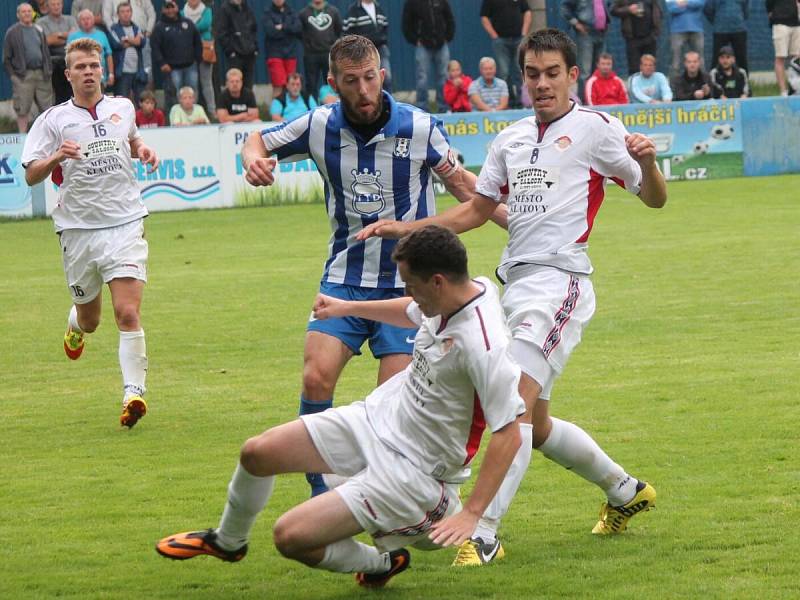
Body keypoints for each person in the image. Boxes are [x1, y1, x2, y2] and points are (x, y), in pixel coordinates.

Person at [357, 28, 665, 565]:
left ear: (574, 76)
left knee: (513, 407)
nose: (541, 84)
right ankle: (625, 491)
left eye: (552, 73)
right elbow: (475, 211)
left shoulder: (597, 129)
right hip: (514, 287)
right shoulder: (511, 138)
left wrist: (651, 162)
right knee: (535, 424)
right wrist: (406, 228)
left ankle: (483, 532)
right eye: (532, 74)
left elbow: (654, 199)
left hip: (561, 283)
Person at [155, 225, 526, 588]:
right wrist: (348, 307)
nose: (411, 294)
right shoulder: (459, 291)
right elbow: (413, 311)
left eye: (412, 285)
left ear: (438, 281)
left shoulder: (483, 345)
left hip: (415, 473)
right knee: (258, 452)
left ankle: (383, 562)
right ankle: (228, 542)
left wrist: (474, 514)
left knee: (290, 537)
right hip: (375, 420)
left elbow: (509, 432)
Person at [239, 35, 482, 498]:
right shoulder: (318, 125)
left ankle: (375, 495)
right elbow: (256, 140)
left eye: (370, 78)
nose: (365, 90)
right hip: (344, 279)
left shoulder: (421, 127)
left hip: (410, 289)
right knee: (315, 376)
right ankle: (319, 491)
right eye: (352, 81)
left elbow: (461, 185)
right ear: (333, 83)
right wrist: (254, 161)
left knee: (387, 405)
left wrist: (509, 210)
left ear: (382, 74)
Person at [21, 37, 159, 429]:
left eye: (94, 66)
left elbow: (129, 139)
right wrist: (55, 157)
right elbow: (31, 175)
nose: (88, 73)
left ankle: (134, 393)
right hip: (78, 230)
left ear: (103, 70)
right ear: (68, 75)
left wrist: (143, 148)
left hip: (125, 222)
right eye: (80, 67)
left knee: (127, 312)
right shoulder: (52, 120)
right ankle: (74, 325)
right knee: (92, 319)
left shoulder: (123, 107)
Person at [3, 3, 54, 133]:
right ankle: (22, 137)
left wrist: (48, 70)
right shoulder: (12, 32)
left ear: (32, 13)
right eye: (23, 12)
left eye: (29, 11)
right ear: (18, 15)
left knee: (47, 108)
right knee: (22, 109)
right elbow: (6, 59)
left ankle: (48, 134)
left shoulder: (39, 29)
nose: (26, 14)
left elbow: (45, 52)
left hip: (42, 74)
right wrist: (14, 77)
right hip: (23, 76)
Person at [402, 0, 455, 113]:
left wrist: (448, 37)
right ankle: (422, 108)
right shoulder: (412, 3)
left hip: (441, 45)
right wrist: (415, 39)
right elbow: (406, 23)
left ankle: (443, 107)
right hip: (423, 46)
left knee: (443, 77)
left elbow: (449, 18)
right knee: (422, 78)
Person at [150, 0, 202, 113]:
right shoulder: (159, 27)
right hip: (172, 68)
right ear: (163, 10)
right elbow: (155, 47)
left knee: (193, 93)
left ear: (177, 8)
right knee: (174, 95)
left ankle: (193, 117)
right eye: (167, 8)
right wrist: (162, 63)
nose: (170, 10)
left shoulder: (188, 23)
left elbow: (197, 41)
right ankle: (174, 118)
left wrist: (198, 59)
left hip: (190, 66)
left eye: (172, 7)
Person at [480, 0, 531, 108]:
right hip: (501, 41)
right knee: (504, 72)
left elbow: (527, 11)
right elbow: (484, 17)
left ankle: (521, 101)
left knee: (520, 70)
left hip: (518, 39)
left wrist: (524, 33)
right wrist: (494, 35)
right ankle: (508, 102)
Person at [562, 0, 612, 102]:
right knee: (585, 72)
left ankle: (597, 99)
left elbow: (609, 5)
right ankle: (584, 102)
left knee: (599, 71)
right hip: (586, 33)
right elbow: (564, 8)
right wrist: (576, 23)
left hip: (602, 33)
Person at [299, 0, 343, 102]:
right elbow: (299, 32)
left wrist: (332, 44)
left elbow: (339, 30)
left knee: (331, 82)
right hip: (310, 55)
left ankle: (330, 106)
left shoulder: (333, 11)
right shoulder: (303, 13)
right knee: (311, 84)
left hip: (329, 54)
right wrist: (308, 44)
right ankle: (312, 107)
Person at [343, 1, 392, 91]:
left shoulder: (378, 8)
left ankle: (387, 103)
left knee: (386, 78)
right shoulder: (354, 10)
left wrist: (383, 40)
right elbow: (347, 32)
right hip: (362, 51)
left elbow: (385, 26)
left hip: (380, 49)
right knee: (366, 79)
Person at [37, 0, 78, 105]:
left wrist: (58, 35)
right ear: (47, 6)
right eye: (53, 4)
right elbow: (47, 41)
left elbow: (76, 38)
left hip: (71, 61)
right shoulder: (41, 22)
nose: (56, 7)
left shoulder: (71, 19)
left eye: (58, 4)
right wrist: (67, 35)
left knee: (74, 92)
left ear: (62, 5)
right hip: (53, 63)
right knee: (57, 96)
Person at [108, 2, 147, 106]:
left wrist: (127, 40)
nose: (126, 14)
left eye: (128, 11)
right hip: (122, 72)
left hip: (138, 72)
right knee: (122, 103)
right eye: (122, 12)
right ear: (118, 14)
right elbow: (117, 45)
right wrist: (134, 41)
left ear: (131, 13)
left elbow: (142, 42)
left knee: (141, 102)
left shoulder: (136, 28)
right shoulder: (114, 29)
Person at [610, 0, 663, 76]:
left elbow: (657, 10)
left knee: (649, 68)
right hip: (633, 38)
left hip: (650, 37)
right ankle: (635, 87)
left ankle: (650, 87)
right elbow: (613, 10)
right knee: (634, 69)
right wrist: (628, 9)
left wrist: (655, 32)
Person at [182, 0, 216, 115]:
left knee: (206, 82)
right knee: (192, 83)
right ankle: (192, 111)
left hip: (205, 50)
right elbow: (183, 27)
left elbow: (206, 24)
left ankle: (212, 111)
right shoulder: (182, 13)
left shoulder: (207, 11)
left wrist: (189, 27)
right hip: (188, 51)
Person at [216, 0, 259, 91]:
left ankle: (247, 104)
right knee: (234, 84)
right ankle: (233, 104)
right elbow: (221, 32)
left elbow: (254, 28)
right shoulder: (225, 9)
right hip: (235, 54)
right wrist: (230, 51)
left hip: (249, 53)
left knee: (248, 85)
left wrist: (255, 48)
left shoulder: (247, 8)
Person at [67, 8, 114, 90]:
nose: (86, 21)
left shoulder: (102, 34)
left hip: (99, 76)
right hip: (79, 78)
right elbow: (68, 58)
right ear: (78, 22)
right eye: (83, 19)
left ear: (93, 20)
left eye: (88, 18)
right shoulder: (72, 36)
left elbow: (109, 55)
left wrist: (111, 73)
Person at [264, 0, 302, 100]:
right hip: (275, 54)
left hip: (290, 53)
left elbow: (298, 28)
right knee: (278, 85)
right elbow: (271, 32)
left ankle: (289, 112)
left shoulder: (292, 11)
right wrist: (289, 29)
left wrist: (282, 27)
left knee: (291, 84)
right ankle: (276, 113)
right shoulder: (268, 12)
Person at [704, 0, 749, 75]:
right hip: (720, 30)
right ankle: (713, 82)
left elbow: (746, 10)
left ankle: (743, 83)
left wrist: (739, 19)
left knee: (741, 59)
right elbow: (708, 9)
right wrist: (717, 21)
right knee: (717, 58)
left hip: (739, 29)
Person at [767, 0, 800, 96]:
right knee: (780, 57)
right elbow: (769, 4)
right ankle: (783, 92)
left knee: (797, 58)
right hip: (780, 24)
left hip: (796, 24)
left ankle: (795, 89)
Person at [666, 0, 706, 78]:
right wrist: (691, 5)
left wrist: (685, 2)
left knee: (700, 60)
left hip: (697, 29)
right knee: (675, 61)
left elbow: (700, 4)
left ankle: (703, 85)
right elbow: (671, 9)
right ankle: (673, 87)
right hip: (677, 31)